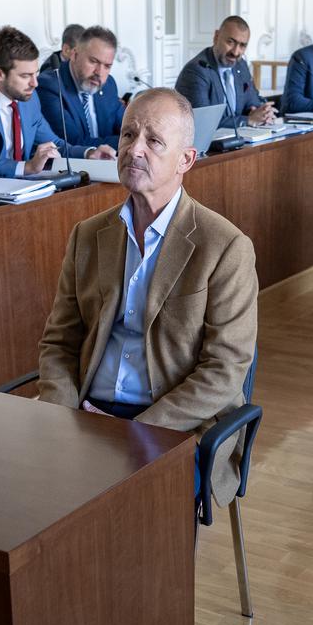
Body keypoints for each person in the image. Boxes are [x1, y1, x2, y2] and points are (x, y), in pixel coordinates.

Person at [37, 88, 258, 504]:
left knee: (129, 503)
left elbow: (225, 370)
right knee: (19, 483)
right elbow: (58, 342)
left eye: (154, 141)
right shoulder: (88, 235)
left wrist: (139, 431)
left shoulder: (225, 246)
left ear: (185, 160)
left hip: (177, 423)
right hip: (87, 414)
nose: (134, 149)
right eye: (127, 135)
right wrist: (60, 412)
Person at [0, 25, 113, 178]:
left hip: (18, 195)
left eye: (35, 74)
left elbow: (55, 145)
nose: (35, 83)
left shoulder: (28, 101)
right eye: (25, 76)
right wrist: (27, 167)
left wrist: (89, 153)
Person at [174, 15, 276, 129]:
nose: (236, 52)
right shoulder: (197, 71)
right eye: (230, 42)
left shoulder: (240, 65)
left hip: (239, 140)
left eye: (242, 45)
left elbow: (252, 100)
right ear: (216, 37)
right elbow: (202, 123)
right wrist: (248, 120)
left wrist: (263, 112)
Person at [36, 25, 125, 152]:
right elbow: (74, 142)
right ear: (74, 55)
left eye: (107, 66)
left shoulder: (109, 84)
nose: (99, 72)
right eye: (93, 61)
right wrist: (126, 141)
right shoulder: (49, 86)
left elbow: (127, 128)